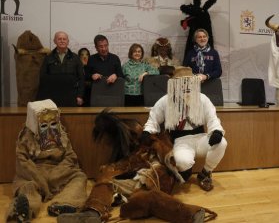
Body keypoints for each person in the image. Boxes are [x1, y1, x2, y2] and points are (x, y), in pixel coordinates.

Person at [57, 109, 216, 223]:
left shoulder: (157, 139)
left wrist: (156, 149)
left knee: (146, 196)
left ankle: (191, 214)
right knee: (105, 180)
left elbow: (169, 158)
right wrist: (111, 170)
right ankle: (92, 212)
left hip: (157, 173)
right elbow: (125, 164)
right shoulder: (129, 151)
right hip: (137, 172)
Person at [142, 67, 227, 191]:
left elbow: (212, 117)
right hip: (181, 141)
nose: (186, 85)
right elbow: (153, 119)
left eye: (189, 82)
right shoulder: (165, 101)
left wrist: (217, 131)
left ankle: (205, 173)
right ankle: (185, 171)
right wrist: (147, 131)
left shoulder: (202, 98)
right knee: (183, 162)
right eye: (182, 82)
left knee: (222, 143)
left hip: (200, 138)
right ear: (175, 84)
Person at [6, 99, 87, 222]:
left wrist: (57, 173)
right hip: (34, 173)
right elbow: (22, 161)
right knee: (27, 187)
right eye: (44, 125)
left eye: (53, 124)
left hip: (59, 172)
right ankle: (23, 210)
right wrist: (39, 179)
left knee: (80, 177)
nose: (50, 129)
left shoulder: (61, 135)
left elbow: (70, 156)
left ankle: (64, 203)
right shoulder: (26, 137)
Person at [37, 31, 84, 107]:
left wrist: (80, 96)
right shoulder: (48, 58)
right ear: (54, 41)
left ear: (68, 41)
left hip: (71, 96)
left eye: (64, 39)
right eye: (59, 39)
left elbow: (81, 79)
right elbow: (43, 77)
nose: (62, 41)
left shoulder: (75, 58)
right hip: (52, 97)